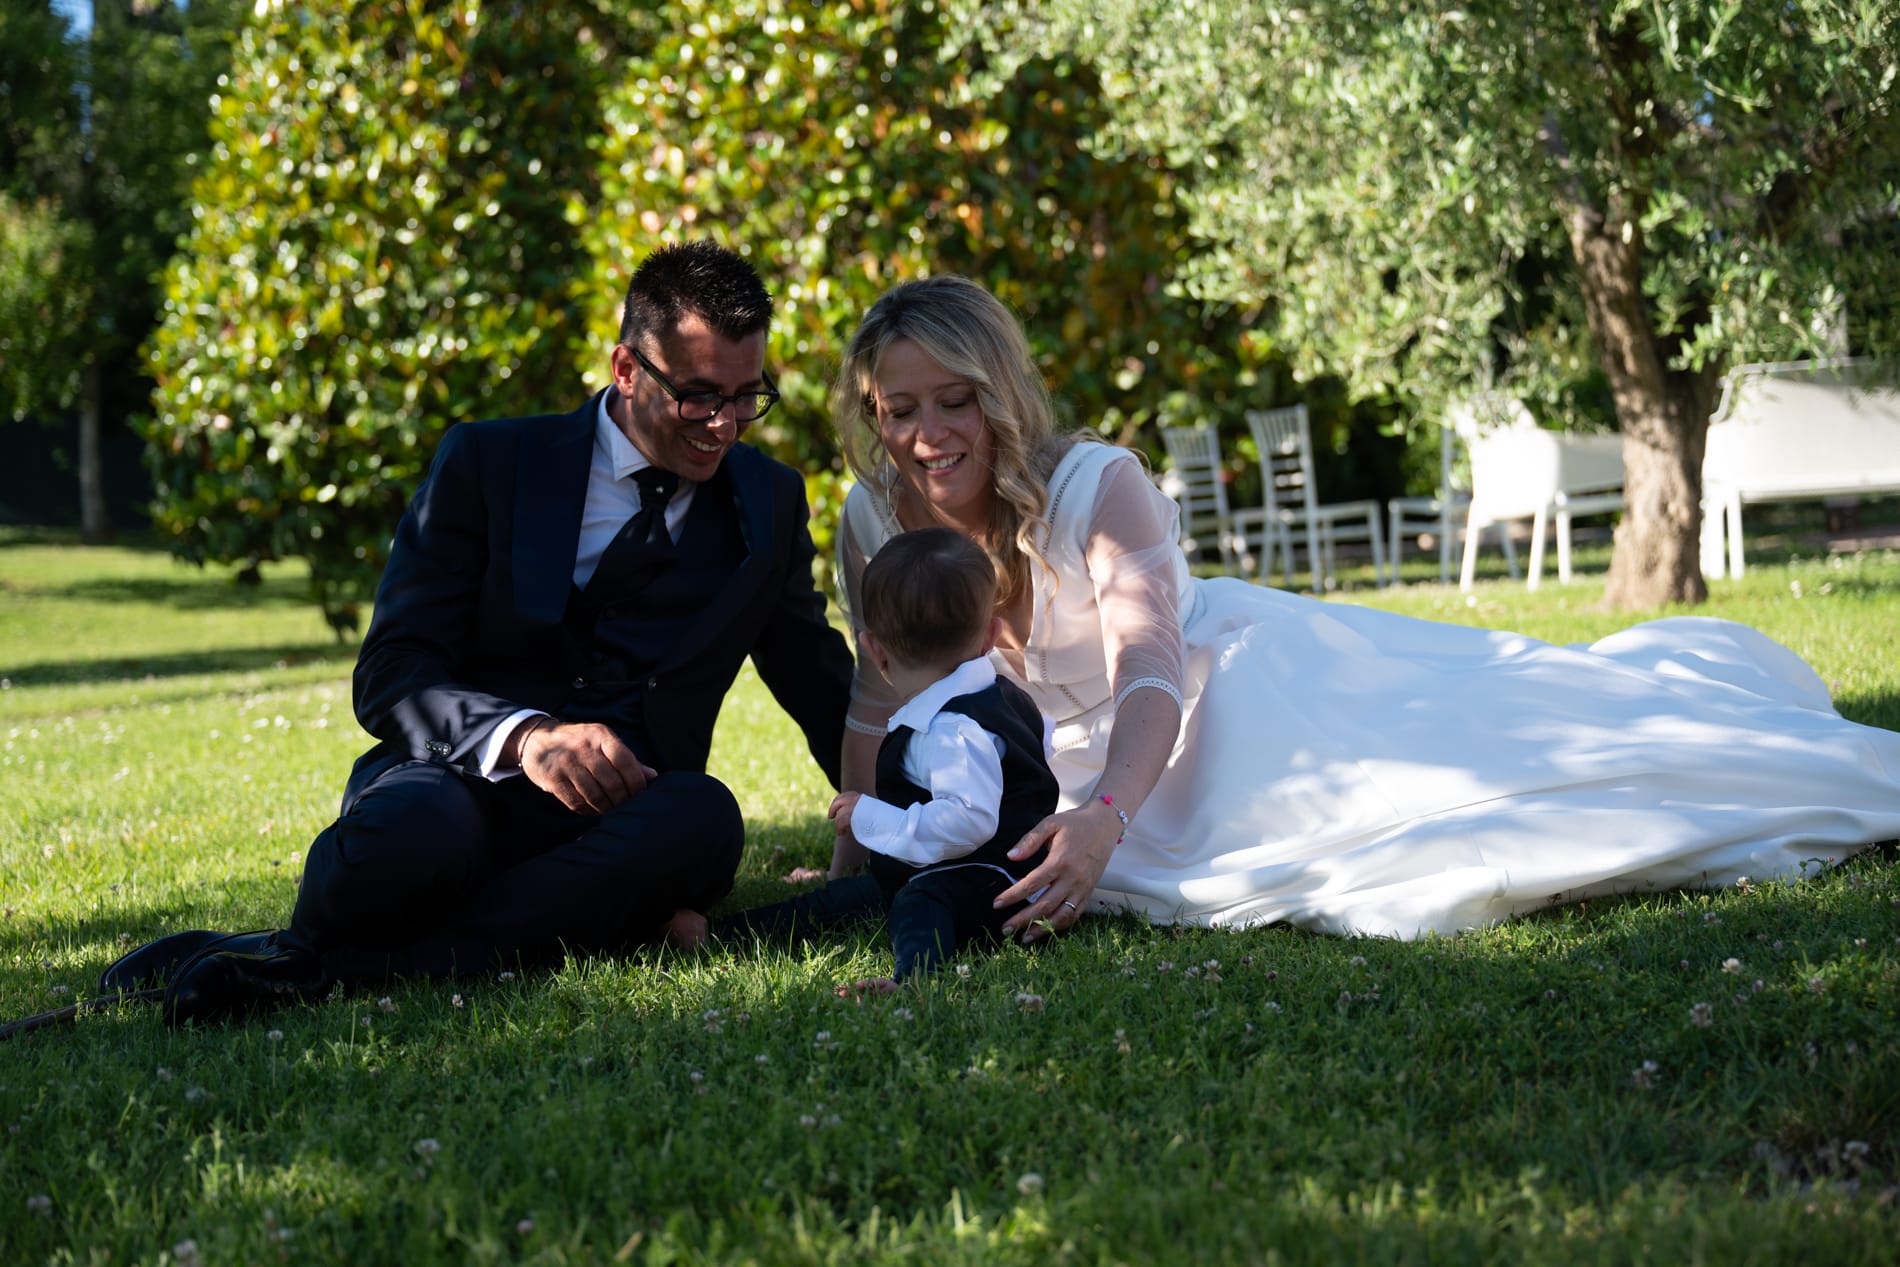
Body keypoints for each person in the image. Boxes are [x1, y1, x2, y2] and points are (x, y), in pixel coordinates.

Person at [824, 273, 1900, 941]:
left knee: (1474, 787)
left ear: (1000, 393)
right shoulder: (875, 518)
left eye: (955, 400)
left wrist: (1105, 816)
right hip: (1052, 767)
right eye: (899, 409)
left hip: (1220, 703)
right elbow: (880, 695)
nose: (928, 434)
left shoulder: (1096, 486)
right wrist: (856, 858)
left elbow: (1148, 665)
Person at [102, 242, 856, 1023]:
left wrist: (915, 813)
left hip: (623, 823)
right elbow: (392, 670)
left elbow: (818, 680)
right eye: (698, 396)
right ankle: (542, 928)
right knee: (408, 836)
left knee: (705, 818)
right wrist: (527, 737)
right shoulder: (489, 461)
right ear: (626, 368)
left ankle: (320, 961)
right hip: (453, 784)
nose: (725, 425)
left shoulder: (768, 501)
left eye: (746, 396)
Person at [714, 527, 1060, 993]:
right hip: (958, 868)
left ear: (874, 649)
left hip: (997, 884)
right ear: (991, 635)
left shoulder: (951, 730)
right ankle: (723, 934)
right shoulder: (995, 696)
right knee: (854, 894)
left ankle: (916, 981)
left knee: (918, 900)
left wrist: (873, 815)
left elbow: (969, 821)